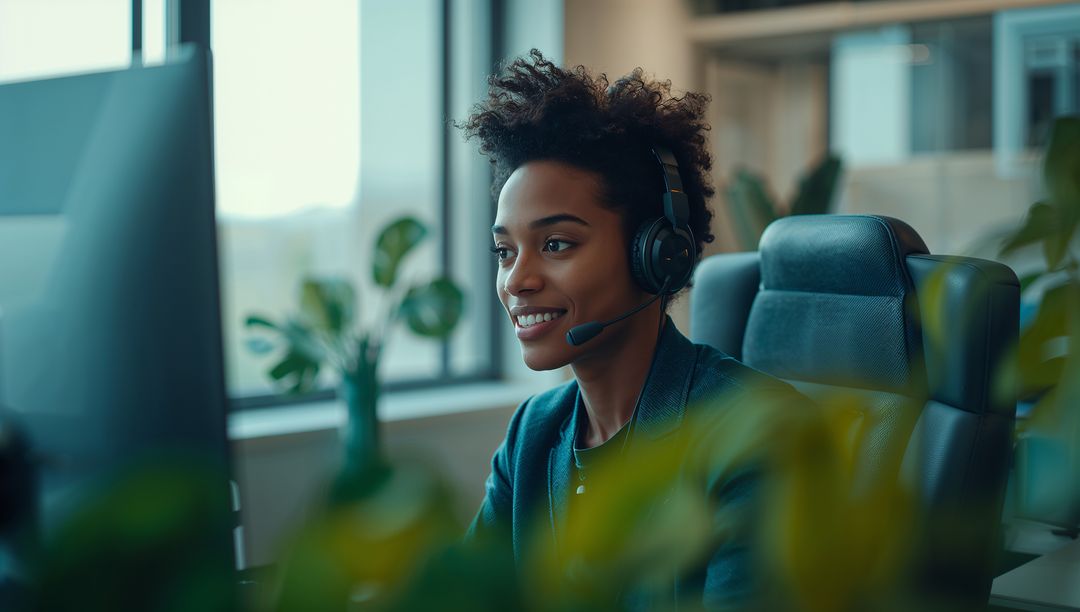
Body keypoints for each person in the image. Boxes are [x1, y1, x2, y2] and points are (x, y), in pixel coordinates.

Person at [460, 50, 806, 609]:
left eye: (556, 244)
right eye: (504, 251)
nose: (516, 279)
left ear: (658, 255)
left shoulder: (755, 434)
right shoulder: (535, 433)